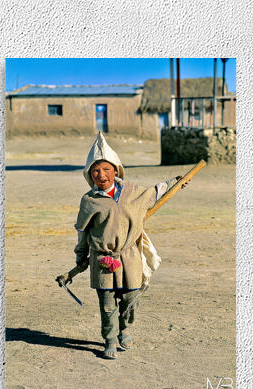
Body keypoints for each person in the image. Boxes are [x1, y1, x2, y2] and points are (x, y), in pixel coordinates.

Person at [56, 131, 189, 360]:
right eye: (95, 171)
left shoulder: (133, 192)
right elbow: (82, 232)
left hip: (129, 257)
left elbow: (155, 192)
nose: (101, 175)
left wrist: (175, 183)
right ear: (90, 175)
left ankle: (124, 330)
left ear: (116, 170)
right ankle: (109, 340)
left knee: (130, 298)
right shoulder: (89, 201)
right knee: (107, 304)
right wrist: (80, 257)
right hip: (102, 258)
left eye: (106, 169)